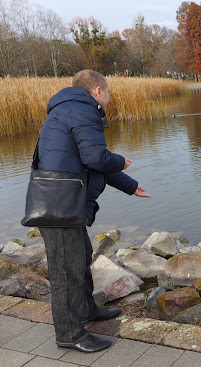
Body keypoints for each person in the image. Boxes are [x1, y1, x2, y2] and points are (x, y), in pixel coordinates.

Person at [36, 70, 152, 353]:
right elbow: (97, 158)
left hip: (61, 200)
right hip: (59, 204)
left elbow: (90, 164)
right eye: (109, 92)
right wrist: (122, 161)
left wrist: (130, 185)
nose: (110, 98)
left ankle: (88, 310)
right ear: (98, 90)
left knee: (81, 257)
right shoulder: (83, 112)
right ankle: (70, 335)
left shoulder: (66, 110)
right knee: (67, 271)